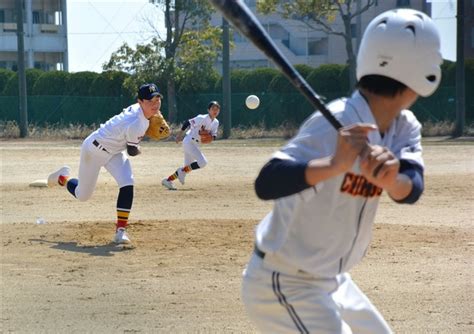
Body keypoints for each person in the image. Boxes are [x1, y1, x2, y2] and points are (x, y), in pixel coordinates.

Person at [241, 9, 442, 333]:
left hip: (334, 280)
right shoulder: (333, 121)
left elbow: (412, 186)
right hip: (284, 281)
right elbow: (267, 181)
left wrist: (393, 180)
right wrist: (335, 165)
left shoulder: (404, 127)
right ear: (422, 74)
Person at [47, 83, 169, 244]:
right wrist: (144, 138)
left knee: (127, 182)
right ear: (140, 102)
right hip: (94, 150)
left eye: (157, 99)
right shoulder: (136, 124)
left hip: (114, 152)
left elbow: (138, 126)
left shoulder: (142, 112)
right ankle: (63, 177)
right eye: (150, 101)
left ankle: (120, 231)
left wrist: (148, 122)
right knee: (82, 195)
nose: (155, 104)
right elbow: (132, 151)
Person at [161, 101, 220, 190]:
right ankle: (180, 171)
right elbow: (187, 123)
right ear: (208, 110)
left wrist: (211, 138)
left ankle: (168, 180)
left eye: (217, 109)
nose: (215, 111)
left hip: (195, 144)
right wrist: (179, 135)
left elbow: (214, 135)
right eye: (213, 109)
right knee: (203, 162)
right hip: (189, 142)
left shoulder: (216, 122)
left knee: (187, 168)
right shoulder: (202, 118)